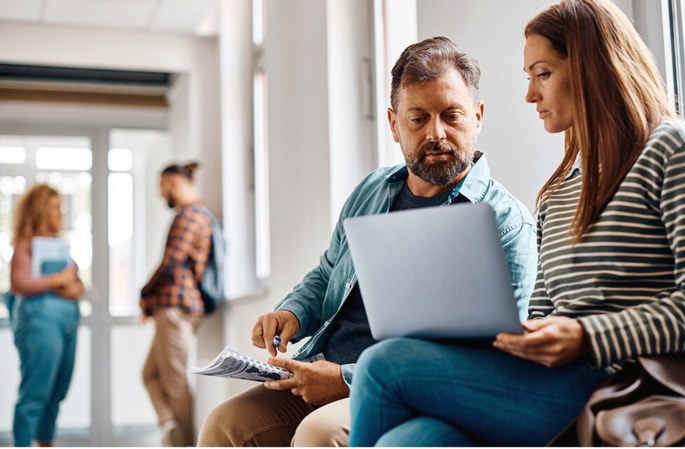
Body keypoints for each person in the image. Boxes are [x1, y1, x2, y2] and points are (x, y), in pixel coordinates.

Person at [349, 0, 685, 446]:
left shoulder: (674, 150)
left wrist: (586, 336)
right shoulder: (558, 192)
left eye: (543, 74)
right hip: (560, 386)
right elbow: (541, 315)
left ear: (593, 68)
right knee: (410, 441)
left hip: (643, 387)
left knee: (382, 364)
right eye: (529, 77)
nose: (530, 95)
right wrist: (509, 337)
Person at [197, 36, 536, 447]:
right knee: (225, 424)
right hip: (320, 369)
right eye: (418, 119)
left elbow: (488, 355)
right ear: (394, 124)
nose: (436, 133)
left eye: (452, 116)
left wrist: (345, 379)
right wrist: (292, 312)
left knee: (320, 434)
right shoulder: (372, 190)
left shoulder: (505, 222)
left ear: (478, 117)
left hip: (408, 391)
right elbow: (328, 272)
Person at [140, 161, 213, 447]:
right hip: (171, 306)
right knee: (150, 374)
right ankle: (170, 425)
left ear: (173, 183)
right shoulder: (193, 215)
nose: (161, 193)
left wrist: (144, 292)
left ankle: (187, 444)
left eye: (162, 186)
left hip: (176, 308)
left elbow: (171, 262)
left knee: (176, 381)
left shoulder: (190, 216)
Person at [10, 183, 85, 447]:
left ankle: (45, 443)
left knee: (57, 391)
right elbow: (18, 282)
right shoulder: (26, 245)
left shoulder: (60, 245)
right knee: (36, 391)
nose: (60, 212)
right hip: (39, 324)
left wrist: (74, 287)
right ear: (39, 210)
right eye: (54, 207)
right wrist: (55, 281)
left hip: (67, 323)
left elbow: (76, 282)